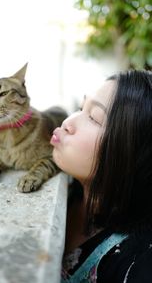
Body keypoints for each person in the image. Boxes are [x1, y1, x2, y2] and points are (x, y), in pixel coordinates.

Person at [50, 70, 152, 283]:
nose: (68, 123)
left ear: (131, 152)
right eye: (81, 108)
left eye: (94, 118)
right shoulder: (70, 192)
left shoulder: (135, 265)